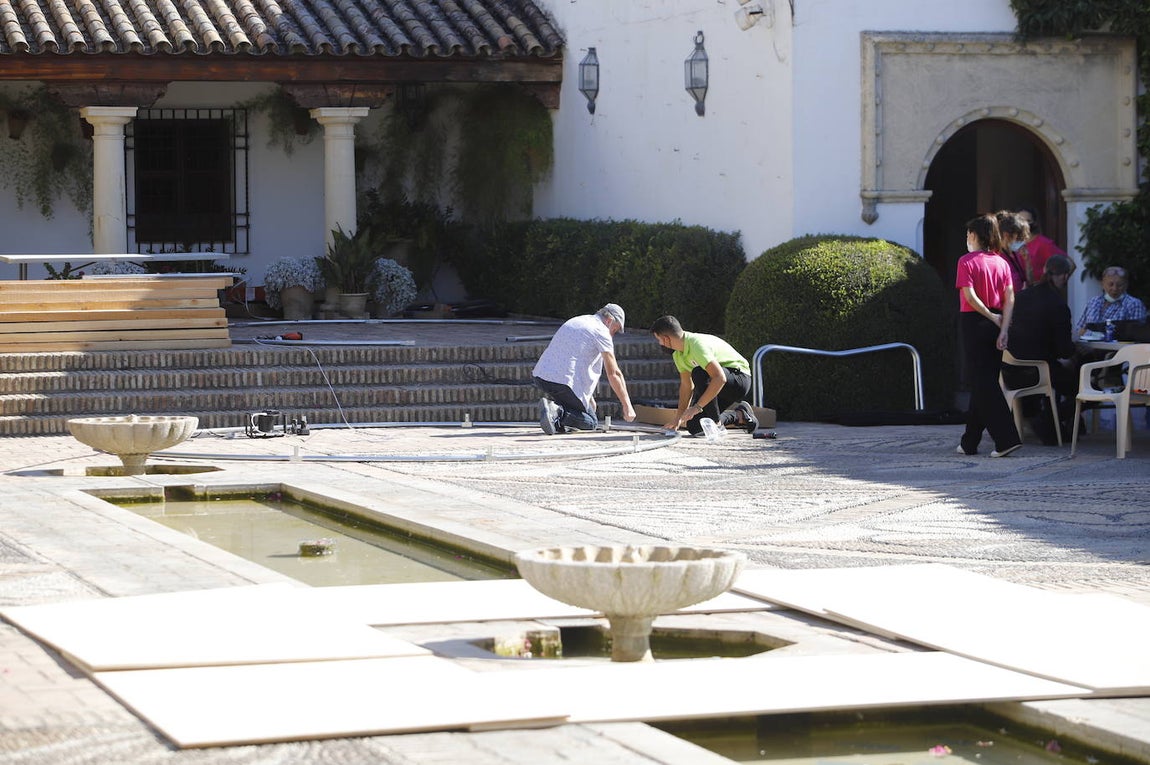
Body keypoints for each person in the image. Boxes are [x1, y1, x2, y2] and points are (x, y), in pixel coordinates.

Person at [955, 213, 1022, 457]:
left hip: (975, 321)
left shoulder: (966, 261)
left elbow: (970, 296)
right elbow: (1010, 297)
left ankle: (1006, 438)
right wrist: (1002, 327)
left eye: (968, 234)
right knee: (985, 382)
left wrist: (992, 317)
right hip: (997, 321)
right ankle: (969, 442)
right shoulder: (1002, 262)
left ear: (974, 235)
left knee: (983, 384)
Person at [1003, 254, 1077, 444]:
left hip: (1009, 370)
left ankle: (1047, 423)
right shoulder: (1058, 305)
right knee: (1085, 388)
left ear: (1044, 271)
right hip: (1039, 372)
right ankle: (1048, 421)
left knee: (1060, 375)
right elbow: (1065, 351)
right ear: (1064, 276)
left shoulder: (1021, 297)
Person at [533, 303, 636, 434]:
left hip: (541, 376)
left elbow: (576, 359)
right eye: (614, 330)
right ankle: (557, 412)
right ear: (609, 321)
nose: (612, 336)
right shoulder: (602, 331)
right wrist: (627, 406)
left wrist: (587, 396)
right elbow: (614, 373)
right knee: (591, 422)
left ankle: (556, 417)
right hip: (563, 383)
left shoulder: (578, 320)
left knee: (582, 411)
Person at [649, 315, 758, 435]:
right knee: (695, 427)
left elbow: (719, 377)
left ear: (666, 339)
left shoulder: (696, 344)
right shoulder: (678, 355)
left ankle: (717, 425)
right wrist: (678, 419)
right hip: (717, 385)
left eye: (658, 339)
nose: (659, 343)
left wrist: (697, 407)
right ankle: (740, 415)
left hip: (739, 379)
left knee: (699, 372)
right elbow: (686, 386)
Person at [1073, 265, 1148, 336]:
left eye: (1119, 285)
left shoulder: (1134, 304)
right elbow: (1079, 329)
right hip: (1087, 348)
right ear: (1102, 284)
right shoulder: (1093, 302)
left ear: (1126, 285)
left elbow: (1136, 334)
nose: (1114, 288)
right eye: (1110, 284)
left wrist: (1091, 334)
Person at [1017, 207, 1068, 287]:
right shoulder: (1013, 243)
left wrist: (1056, 284)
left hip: (1037, 292)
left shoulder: (1043, 243)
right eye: (1021, 221)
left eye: (1028, 221)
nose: (1024, 224)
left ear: (1035, 222)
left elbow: (1069, 263)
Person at [995, 210, 1030, 294]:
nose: (1022, 242)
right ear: (1006, 235)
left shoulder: (1016, 255)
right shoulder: (996, 258)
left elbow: (1028, 282)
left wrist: (1028, 262)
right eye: (1019, 238)